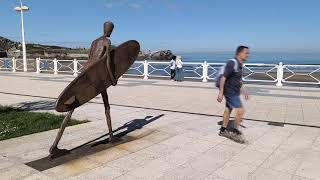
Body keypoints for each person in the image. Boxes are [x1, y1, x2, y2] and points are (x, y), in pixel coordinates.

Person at [217, 46, 249, 142]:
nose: (248, 55)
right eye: (246, 53)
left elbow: (238, 79)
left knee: (228, 110)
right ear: (240, 53)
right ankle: (235, 131)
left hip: (234, 91)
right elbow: (223, 78)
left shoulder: (239, 64)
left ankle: (223, 130)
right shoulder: (232, 63)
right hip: (230, 92)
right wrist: (221, 93)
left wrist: (244, 89)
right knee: (241, 110)